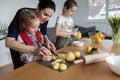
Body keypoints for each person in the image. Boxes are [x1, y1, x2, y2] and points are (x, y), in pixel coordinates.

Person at [5, 0, 56, 69]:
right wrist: (35, 49)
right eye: (45, 14)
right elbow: (9, 42)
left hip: (36, 55)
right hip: (21, 52)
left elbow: (43, 34)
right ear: (38, 9)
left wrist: (47, 41)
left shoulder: (45, 19)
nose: (47, 18)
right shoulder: (22, 14)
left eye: (50, 16)